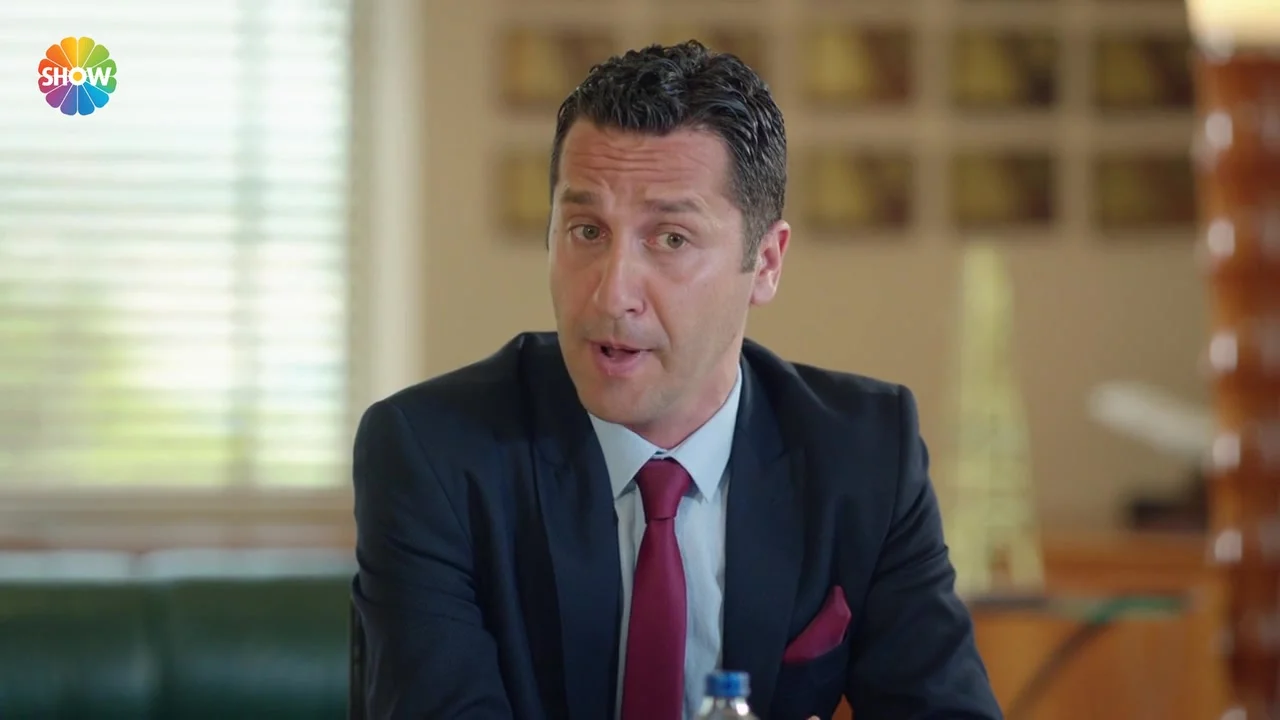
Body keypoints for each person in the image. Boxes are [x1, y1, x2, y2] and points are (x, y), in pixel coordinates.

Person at [351, 40, 1002, 720]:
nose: (612, 295)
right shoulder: (433, 453)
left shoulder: (863, 455)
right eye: (586, 231)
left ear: (767, 262)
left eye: (670, 239)